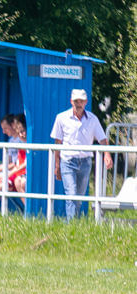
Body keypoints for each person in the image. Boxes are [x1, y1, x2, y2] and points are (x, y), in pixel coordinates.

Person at [50, 88, 113, 221]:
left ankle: (74, 225)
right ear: (71, 101)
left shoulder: (92, 119)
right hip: (68, 161)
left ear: (86, 102)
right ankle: (71, 226)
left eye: (81, 101)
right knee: (72, 195)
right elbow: (58, 142)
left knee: (78, 197)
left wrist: (107, 154)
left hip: (85, 161)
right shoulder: (61, 118)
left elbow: (102, 138)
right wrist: (57, 165)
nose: (79, 104)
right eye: (76, 101)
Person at [0, 114, 27, 212]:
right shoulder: (14, 142)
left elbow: (18, 164)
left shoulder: (24, 143)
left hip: (19, 173)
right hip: (17, 173)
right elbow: (14, 162)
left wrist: (5, 174)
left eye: (22, 131)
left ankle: (29, 212)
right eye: (19, 132)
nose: (21, 134)